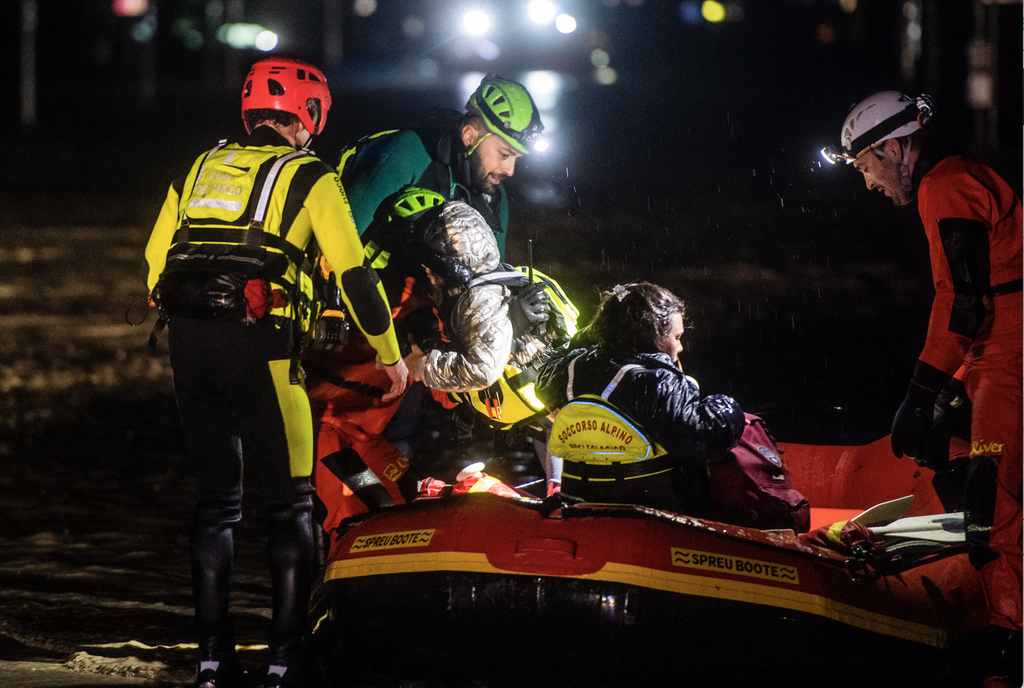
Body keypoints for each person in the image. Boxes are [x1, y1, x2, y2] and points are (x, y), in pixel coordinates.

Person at [143, 57, 408, 688]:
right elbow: (356, 277)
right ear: (309, 115)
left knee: (215, 508)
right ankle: (286, 661)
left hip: (189, 348)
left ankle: (212, 661)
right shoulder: (309, 175)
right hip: (261, 350)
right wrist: (392, 358)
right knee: (289, 509)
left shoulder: (199, 166)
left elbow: (156, 268)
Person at [823, 90, 1022, 686]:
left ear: (890, 148)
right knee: (975, 480)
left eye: (865, 168)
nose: (868, 184)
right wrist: (945, 388)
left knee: (989, 508)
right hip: (997, 353)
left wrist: (922, 388)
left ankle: (1010, 651)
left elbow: (963, 303)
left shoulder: (944, 186)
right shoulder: (960, 177)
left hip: (1008, 358)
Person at [336, 74, 547, 463]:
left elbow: (484, 288)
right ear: (470, 135)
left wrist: (513, 314)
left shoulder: (492, 199)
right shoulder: (407, 154)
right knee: (355, 434)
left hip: (419, 332)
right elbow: (338, 246)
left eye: (517, 158)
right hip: (360, 325)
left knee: (408, 433)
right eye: (505, 154)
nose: (511, 170)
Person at [307, 193, 517, 534]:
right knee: (347, 519)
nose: (432, 277)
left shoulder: (436, 299)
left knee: (388, 509)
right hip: (332, 420)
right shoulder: (387, 292)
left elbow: (446, 378)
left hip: (356, 427)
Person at [535, 282, 746, 515]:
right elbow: (700, 440)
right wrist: (724, 405)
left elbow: (546, 375)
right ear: (652, 334)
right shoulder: (657, 382)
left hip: (584, 500)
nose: (680, 346)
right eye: (677, 336)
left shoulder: (572, 371)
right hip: (655, 509)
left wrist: (608, 327)